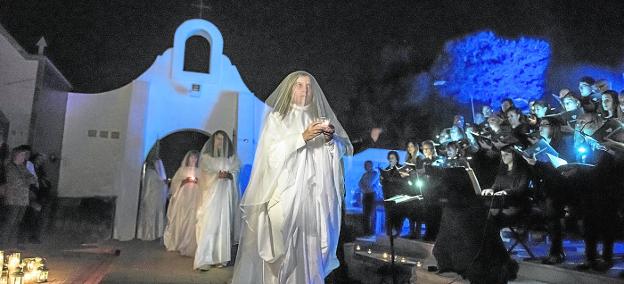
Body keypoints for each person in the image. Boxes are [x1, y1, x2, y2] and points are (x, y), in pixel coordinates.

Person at [232, 71, 352, 284]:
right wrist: (301, 137)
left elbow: (339, 151)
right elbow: (271, 154)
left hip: (314, 199)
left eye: (308, 86)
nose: (304, 90)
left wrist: (330, 142)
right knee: (285, 250)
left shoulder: (319, 120)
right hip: (285, 196)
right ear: (290, 89)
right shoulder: (277, 119)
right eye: (299, 85)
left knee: (312, 248)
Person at [194, 131, 241, 270]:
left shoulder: (231, 159)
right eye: (217, 139)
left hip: (225, 198)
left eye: (221, 140)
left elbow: (236, 174)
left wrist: (229, 176)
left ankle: (220, 257)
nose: (219, 142)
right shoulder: (207, 158)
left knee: (223, 225)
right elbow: (204, 176)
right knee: (209, 224)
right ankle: (205, 257)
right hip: (211, 197)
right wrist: (215, 176)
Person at [163, 150, 201, 256]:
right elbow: (175, 183)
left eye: (195, 158)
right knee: (181, 217)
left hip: (195, 197)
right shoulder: (182, 170)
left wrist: (197, 182)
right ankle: (178, 241)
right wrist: (184, 181)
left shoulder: (200, 171)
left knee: (191, 219)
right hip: (183, 197)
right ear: (187, 158)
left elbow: (204, 184)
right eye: (191, 157)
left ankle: (188, 243)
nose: (193, 160)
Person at [0, 145, 38, 248]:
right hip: (13, 199)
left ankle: (11, 243)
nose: (23, 157)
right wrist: (26, 180)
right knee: (9, 222)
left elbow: (32, 178)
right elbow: (16, 182)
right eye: (21, 155)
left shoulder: (22, 167)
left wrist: (27, 180)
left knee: (18, 222)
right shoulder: (10, 167)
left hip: (23, 200)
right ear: (16, 156)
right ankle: (2, 243)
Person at [136, 155, 168, 241]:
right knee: (150, 217)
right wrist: (145, 198)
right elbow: (147, 188)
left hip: (156, 200)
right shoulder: (150, 174)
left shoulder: (158, 175)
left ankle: (154, 233)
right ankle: (148, 234)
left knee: (154, 217)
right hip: (151, 199)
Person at [358, 160, 380, 236]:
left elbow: (369, 182)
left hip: (372, 195)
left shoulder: (375, 173)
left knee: (372, 214)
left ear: (371, 166)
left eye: (368, 165)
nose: (367, 167)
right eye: (366, 165)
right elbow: (359, 184)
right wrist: (364, 186)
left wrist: (364, 185)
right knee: (365, 214)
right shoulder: (364, 174)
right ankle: (366, 231)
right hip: (365, 194)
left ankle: (372, 231)